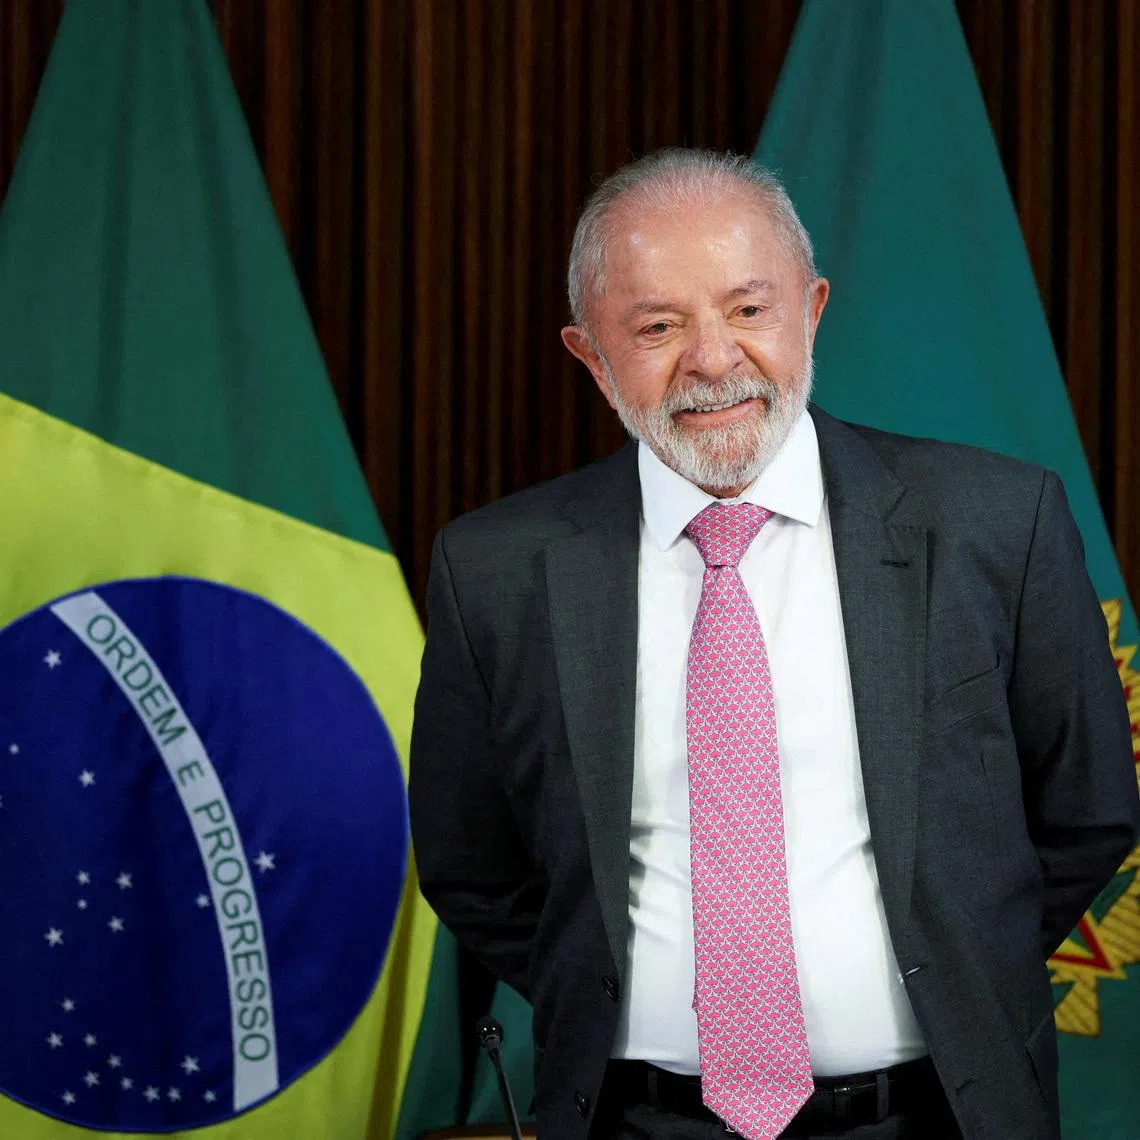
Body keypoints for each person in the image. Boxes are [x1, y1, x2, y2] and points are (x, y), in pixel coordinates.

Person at [408, 148, 1139, 1140]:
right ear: (589, 354)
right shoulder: (494, 570)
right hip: (637, 1120)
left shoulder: (994, 524)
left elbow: (1087, 815)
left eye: (749, 310)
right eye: (658, 326)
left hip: (938, 1117)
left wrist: (963, 961)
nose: (713, 360)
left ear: (813, 309)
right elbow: (471, 864)